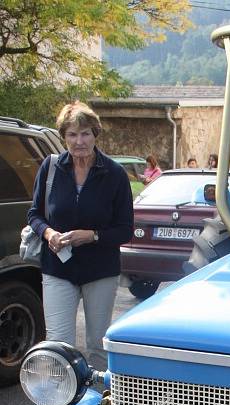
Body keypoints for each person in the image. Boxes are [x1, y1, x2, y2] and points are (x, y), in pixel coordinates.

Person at [28, 101, 134, 379]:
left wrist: (93, 236)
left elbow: (125, 229)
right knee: (58, 348)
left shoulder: (114, 174)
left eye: (85, 133)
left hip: (100, 271)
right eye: (72, 134)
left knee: (97, 346)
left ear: (95, 134)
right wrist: (48, 233)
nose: (79, 141)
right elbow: (34, 214)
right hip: (58, 269)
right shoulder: (50, 168)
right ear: (64, 137)